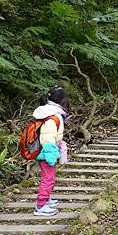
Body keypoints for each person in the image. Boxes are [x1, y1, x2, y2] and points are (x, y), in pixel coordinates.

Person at [33, 86, 68, 216]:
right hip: (47, 152)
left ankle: (47, 199)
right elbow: (47, 137)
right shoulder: (54, 116)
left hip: (43, 151)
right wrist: (51, 155)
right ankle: (40, 206)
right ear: (62, 100)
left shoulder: (46, 112)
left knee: (49, 178)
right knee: (48, 179)